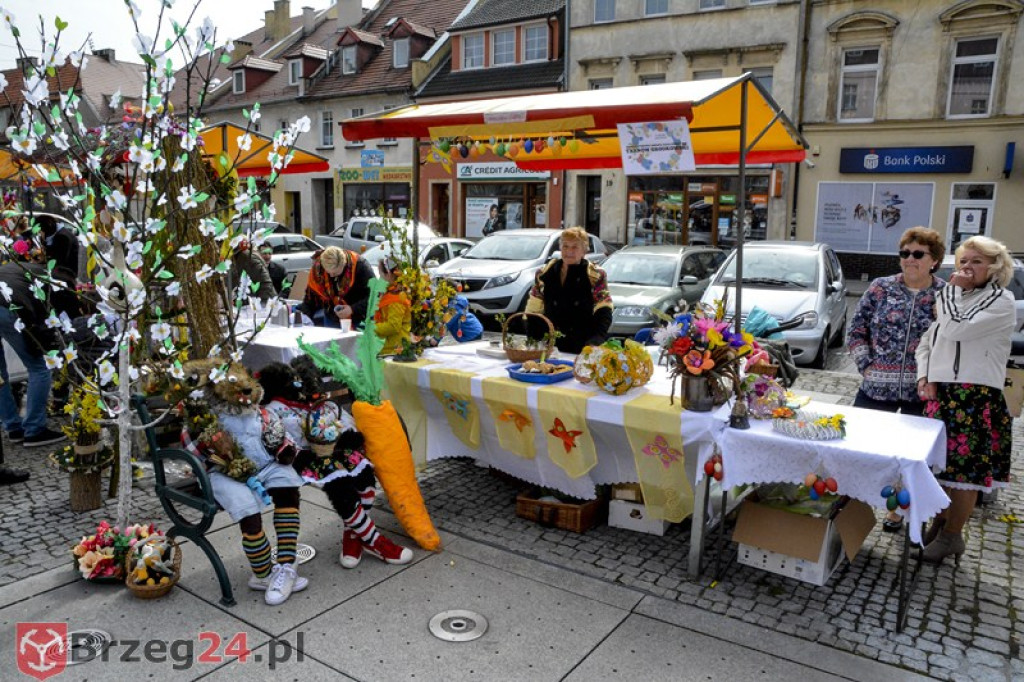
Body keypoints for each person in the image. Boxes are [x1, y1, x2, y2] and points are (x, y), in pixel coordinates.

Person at [916, 235, 1015, 565]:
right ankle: (941, 522)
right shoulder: (955, 299)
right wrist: (924, 376)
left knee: (964, 475)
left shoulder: (1001, 301)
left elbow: (957, 330)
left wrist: (948, 291)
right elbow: (928, 343)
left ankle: (952, 535)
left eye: (976, 261)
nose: (967, 267)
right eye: (963, 261)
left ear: (995, 267)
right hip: (942, 392)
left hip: (974, 395)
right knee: (938, 469)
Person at [258, 357, 413, 568]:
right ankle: (375, 541)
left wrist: (343, 435)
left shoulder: (316, 404)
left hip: (330, 450)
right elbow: (278, 437)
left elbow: (341, 421)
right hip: (302, 457)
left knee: (363, 471)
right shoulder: (275, 409)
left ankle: (353, 536)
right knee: (339, 484)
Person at [846, 226, 946, 533]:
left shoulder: (945, 294)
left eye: (918, 254)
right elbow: (856, 329)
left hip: (921, 394)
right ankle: (850, 505)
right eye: (905, 253)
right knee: (859, 449)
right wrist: (866, 365)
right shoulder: (880, 287)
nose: (909, 259)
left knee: (912, 458)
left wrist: (936, 379)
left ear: (934, 260)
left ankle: (900, 511)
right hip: (876, 389)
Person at [0, 260, 73, 447]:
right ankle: (34, 430)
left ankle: (13, 427)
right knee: (40, 367)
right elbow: (40, 319)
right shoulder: (50, 283)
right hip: (8, 308)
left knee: (0, 375)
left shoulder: (23, 267)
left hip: (6, 300)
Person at [525, 226, 612, 354]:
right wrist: (535, 340)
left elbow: (604, 310)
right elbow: (533, 312)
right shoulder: (544, 273)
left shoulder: (595, 275)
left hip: (582, 347)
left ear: (584, 251)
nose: (569, 251)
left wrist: (595, 342)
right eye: (565, 246)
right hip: (551, 347)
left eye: (574, 247)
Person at [297, 246, 375, 328]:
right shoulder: (318, 269)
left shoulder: (360, 266)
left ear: (344, 264)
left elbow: (375, 296)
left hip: (359, 319)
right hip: (332, 318)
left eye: (335, 273)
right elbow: (311, 298)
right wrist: (305, 317)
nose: (331, 275)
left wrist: (352, 309)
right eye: (328, 273)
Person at [374, 256, 412, 356]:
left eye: (381, 274)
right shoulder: (390, 292)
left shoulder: (396, 298)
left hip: (394, 350)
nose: (379, 278)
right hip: (389, 347)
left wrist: (372, 328)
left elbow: (393, 326)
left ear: (389, 275)